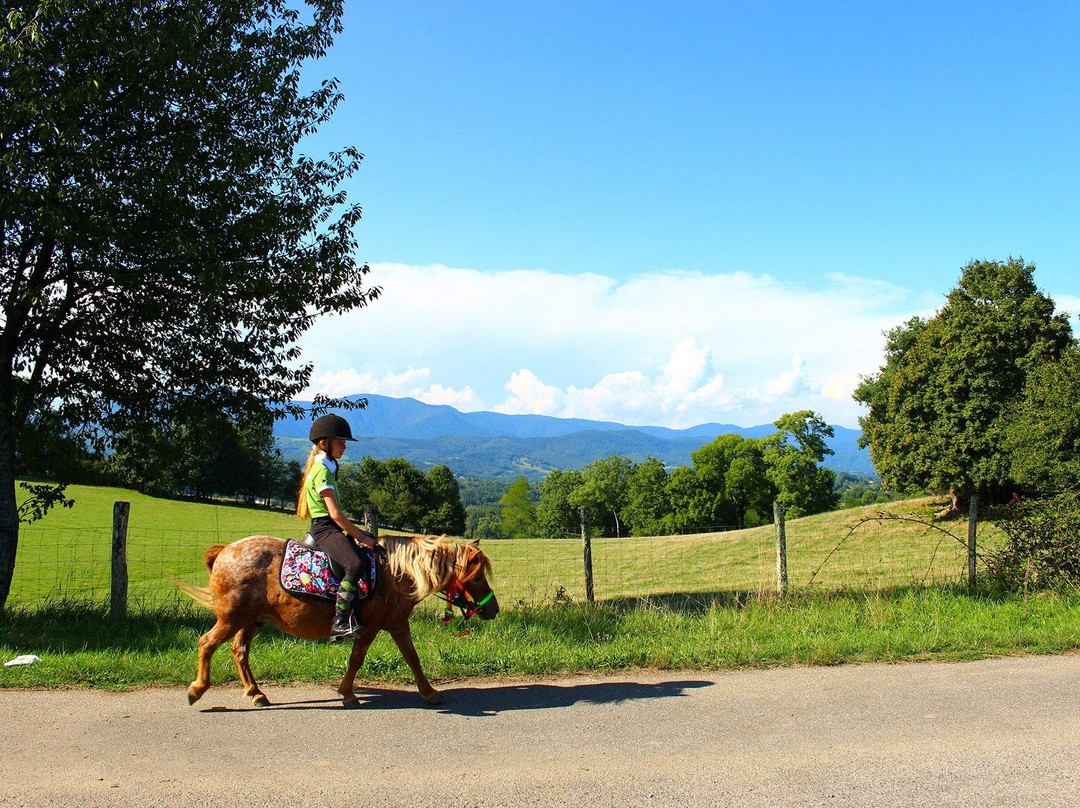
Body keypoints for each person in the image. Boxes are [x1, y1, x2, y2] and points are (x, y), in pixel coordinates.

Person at [296, 413, 377, 639]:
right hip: (325, 528)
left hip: (330, 526)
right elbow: (335, 513)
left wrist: (360, 533)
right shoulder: (322, 471)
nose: (344, 447)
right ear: (324, 443)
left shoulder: (327, 466)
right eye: (340, 442)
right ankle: (340, 622)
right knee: (355, 563)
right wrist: (360, 537)